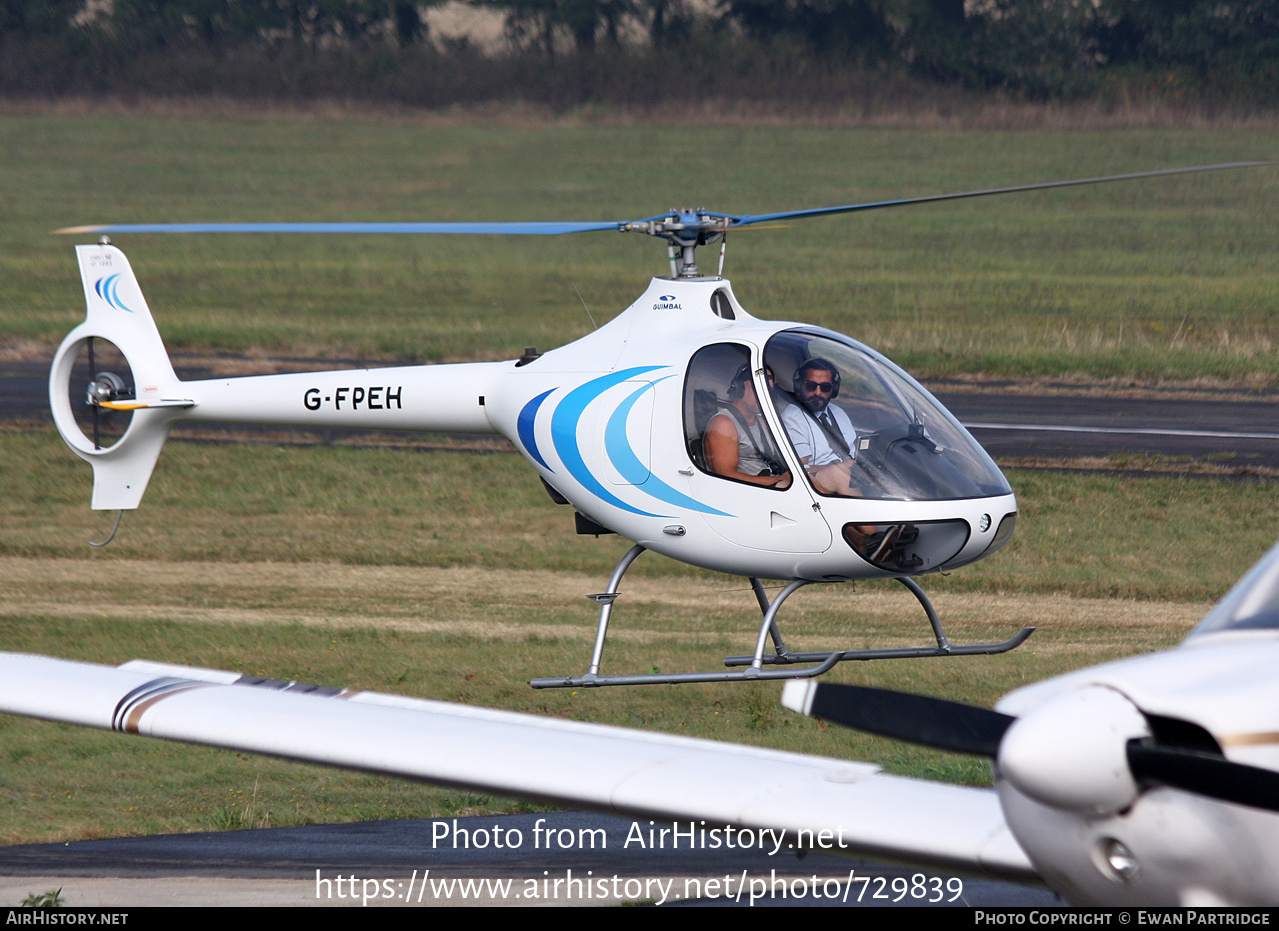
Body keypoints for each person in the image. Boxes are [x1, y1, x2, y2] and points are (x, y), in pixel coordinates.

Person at [780, 358, 861, 496]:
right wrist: (840, 466)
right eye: (811, 386)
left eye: (825, 387)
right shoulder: (793, 417)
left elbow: (854, 452)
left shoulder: (837, 412)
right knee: (840, 474)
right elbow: (798, 469)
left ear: (834, 389)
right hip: (816, 479)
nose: (818, 392)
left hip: (850, 471)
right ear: (800, 386)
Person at [704, 365, 791, 489]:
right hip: (747, 492)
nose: (766, 395)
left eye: (769, 390)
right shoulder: (723, 423)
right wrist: (777, 480)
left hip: (772, 484)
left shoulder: (763, 421)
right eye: (760, 388)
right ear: (740, 388)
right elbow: (726, 476)